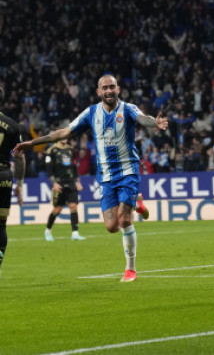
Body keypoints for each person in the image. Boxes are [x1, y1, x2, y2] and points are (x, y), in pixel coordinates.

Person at [14, 75, 166, 282]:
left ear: (118, 89)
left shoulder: (128, 109)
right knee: (111, 227)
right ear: (98, 92)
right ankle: (137, 204)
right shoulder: (91, 113)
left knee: (124, 219)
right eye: (105, 88)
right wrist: (33, 143)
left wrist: (154, 123)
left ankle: (130, 269)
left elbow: (143, 118)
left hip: (128, 169)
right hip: (106, 176)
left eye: (112, 87)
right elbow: (64, 133)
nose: (109, 91)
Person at [0, 87, 25, 277]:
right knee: (1, 224)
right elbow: (20, 158)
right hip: (4, 177)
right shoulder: (13, 125)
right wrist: (20, 184)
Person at [43, 139, 85, 241]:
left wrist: (78, 182)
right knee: (57, 209)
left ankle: (75, 233)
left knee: (73, 206)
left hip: (71, 183)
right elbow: (49, 171)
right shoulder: (51, 151)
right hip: (59, 183)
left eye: (66, 136)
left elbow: (74, 168)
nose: (65, 138)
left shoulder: (71, 150)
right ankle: (48, 230)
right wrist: (54, 183)